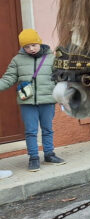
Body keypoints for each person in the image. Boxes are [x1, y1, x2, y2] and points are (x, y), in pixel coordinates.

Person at [0, 29, 64, 171]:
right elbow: (8, 78)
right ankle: (33, 158)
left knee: (48, 129)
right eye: (27, 47)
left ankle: (49, 154)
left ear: (39, 42)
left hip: (47, 100)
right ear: (23, 47)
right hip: (27, 102)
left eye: (34, 45)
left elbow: (59, 78)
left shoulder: (52, 58)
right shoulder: (17, 60)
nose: (31, 49)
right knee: (30, 131)